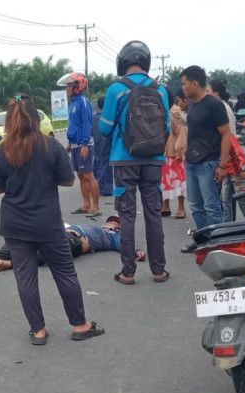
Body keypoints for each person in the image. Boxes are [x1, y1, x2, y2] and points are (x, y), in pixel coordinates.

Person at [0, 93, 103, 345]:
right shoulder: (50, 146)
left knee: (25, 276)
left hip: (15, 224)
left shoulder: (1, 151)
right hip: (47, 222)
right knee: (64, 272)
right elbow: (68, 180)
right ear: (36, 119)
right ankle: (80, 325)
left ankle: (38, 330)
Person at [99, 40, 170, 284]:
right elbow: (167, 128)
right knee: (153, 214)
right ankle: (158, 270)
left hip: (124, 161)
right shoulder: (160, 90)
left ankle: (128, 272)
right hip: (154, 161)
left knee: (127, 216)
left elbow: (104, 129)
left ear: (123, 61)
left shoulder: (115, 90)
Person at [179, 65, 230, 253]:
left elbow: (226, 135)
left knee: (212, 206)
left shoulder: (215, 105)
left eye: (185, 84)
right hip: (191, 161)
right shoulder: (192, 104)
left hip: (209, 163)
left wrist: (222, 164)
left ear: (194, 83)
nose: (183, 88)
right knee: (195, 205)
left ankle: (218, 243)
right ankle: (202, 239)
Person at [0, 216, 146, 270]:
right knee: (23, 241)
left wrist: (136, 250)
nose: (111, 223)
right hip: (63, 233)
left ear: (118, 227)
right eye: (110, 221)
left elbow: (123, 244)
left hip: (76, 242)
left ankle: (8, 263)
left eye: (115, 223)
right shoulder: (94, 226)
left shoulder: (112, 236)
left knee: (47, 254)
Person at [207, 79, 245, 222]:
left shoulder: (220, 109)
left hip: (234, 165)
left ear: (215, 93)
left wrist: (242, 167)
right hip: (227, 165)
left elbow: (233, 143)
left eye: (208, 92)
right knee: (226, 199)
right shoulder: (220, 107)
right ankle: (228, 226)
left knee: (241, 200)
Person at [58, 72, 100, 217]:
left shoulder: (83, 102)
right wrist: (70, 143)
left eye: (70, 85)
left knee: (89, 174)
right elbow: (75, 125)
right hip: (75, 143)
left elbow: (87, 125)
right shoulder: (74, 103)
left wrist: (84, 145)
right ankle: (86, 205)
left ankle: (96, 207)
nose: (67, 88)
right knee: (81, 175)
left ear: (78, 86)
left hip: (84, 143)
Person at [162, 88, 188, 219]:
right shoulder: (162, 110)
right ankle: (165, 206)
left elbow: (182, 133)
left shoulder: (177, 111)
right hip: (163, 152)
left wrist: (179, 151)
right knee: (164, 182)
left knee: (179, 181)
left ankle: (181, 207)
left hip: (175, 152)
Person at [92, 97, 113, 196]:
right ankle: (105, 189)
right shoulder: (108, 118)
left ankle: (95, 186)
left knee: (97, 164)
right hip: (107, 144)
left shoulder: (93, 117)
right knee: (106, 167)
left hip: (96, 144)